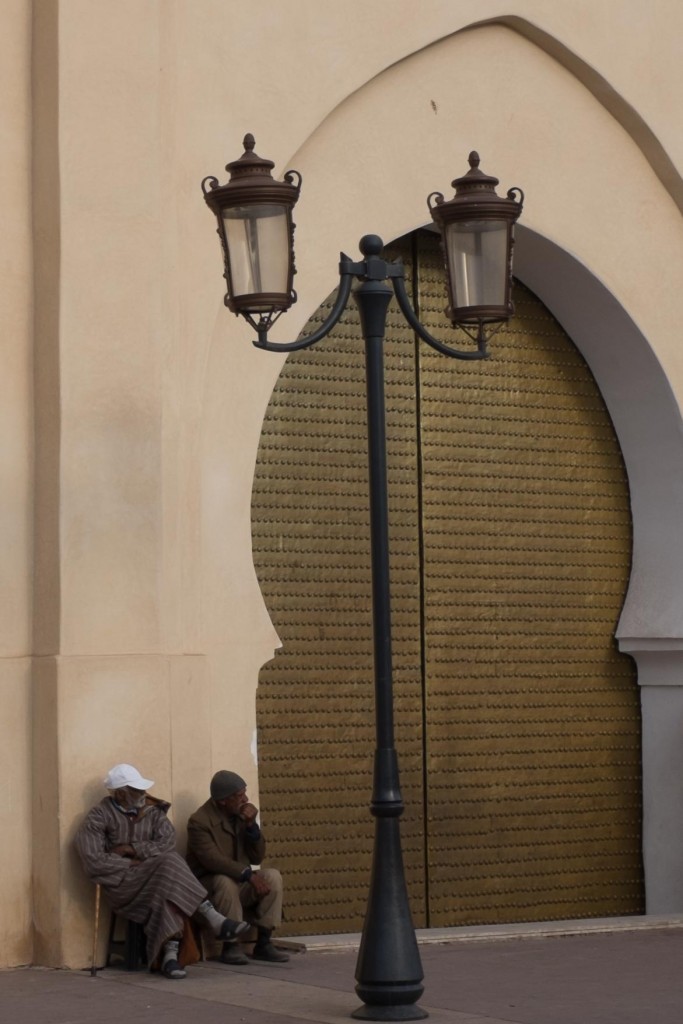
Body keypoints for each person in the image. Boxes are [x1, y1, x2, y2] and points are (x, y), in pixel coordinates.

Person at [75, 763, 249, 979]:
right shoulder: (98, 817)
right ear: (120, 794)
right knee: (168, 865)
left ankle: (171, 957)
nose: (143, 794)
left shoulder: (153, 813)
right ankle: (210, 919)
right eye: (136, 791)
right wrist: (131, 864)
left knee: (168, 878)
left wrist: (133, 849)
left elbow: (167, 842)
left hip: (156, 880)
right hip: (122, 886)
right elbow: (93, 861)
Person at [186, 770, 288, 964]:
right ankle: (230, 945)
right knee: (224, 881)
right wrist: (248, 875)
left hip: (240, 882)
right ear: (223, 800)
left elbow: (257, 856)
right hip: (209, 891)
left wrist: (252, 828)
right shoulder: (199, 822)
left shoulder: (241, 815)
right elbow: (212, 860)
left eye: (245, 793)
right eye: (239, 796)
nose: (246, 799)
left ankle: (264, 942)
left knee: (272, 876)